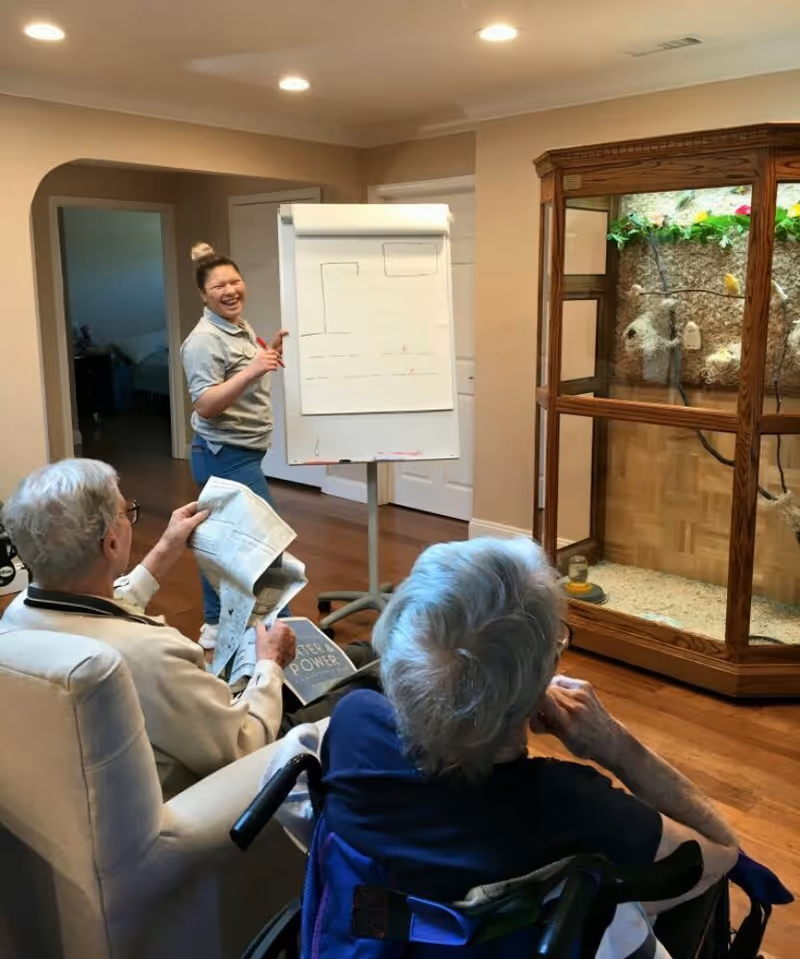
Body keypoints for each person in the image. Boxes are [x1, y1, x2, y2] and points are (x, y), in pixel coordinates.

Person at [320, 538, 740, 954]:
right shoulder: (573, 806)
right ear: (545, 674)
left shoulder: (354, 725)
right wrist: (611, 742)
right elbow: (722, 850)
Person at [1, 458, 302, 800]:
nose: (129, 517)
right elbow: (243, 746)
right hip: (203, 797)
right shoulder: (152, 655)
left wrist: (166, 546)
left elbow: (96, 605)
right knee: (350, 687)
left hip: (88, 794)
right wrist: (270, 665)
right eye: (124, 513)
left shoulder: (17, 615)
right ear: (111, 544)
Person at [181, 252, 289, 653]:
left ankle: (214, 625)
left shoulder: (237, 327)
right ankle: (281, 632)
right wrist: (253, 369)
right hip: (225, 455)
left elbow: (242, 375)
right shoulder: (203, 341)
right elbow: (206, 404)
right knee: (269, 547)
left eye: (234, 281)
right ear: (203, 296)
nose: (230, 290)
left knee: (221, 543)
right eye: (218, 286)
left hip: (241, 453)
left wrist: (267, 354)